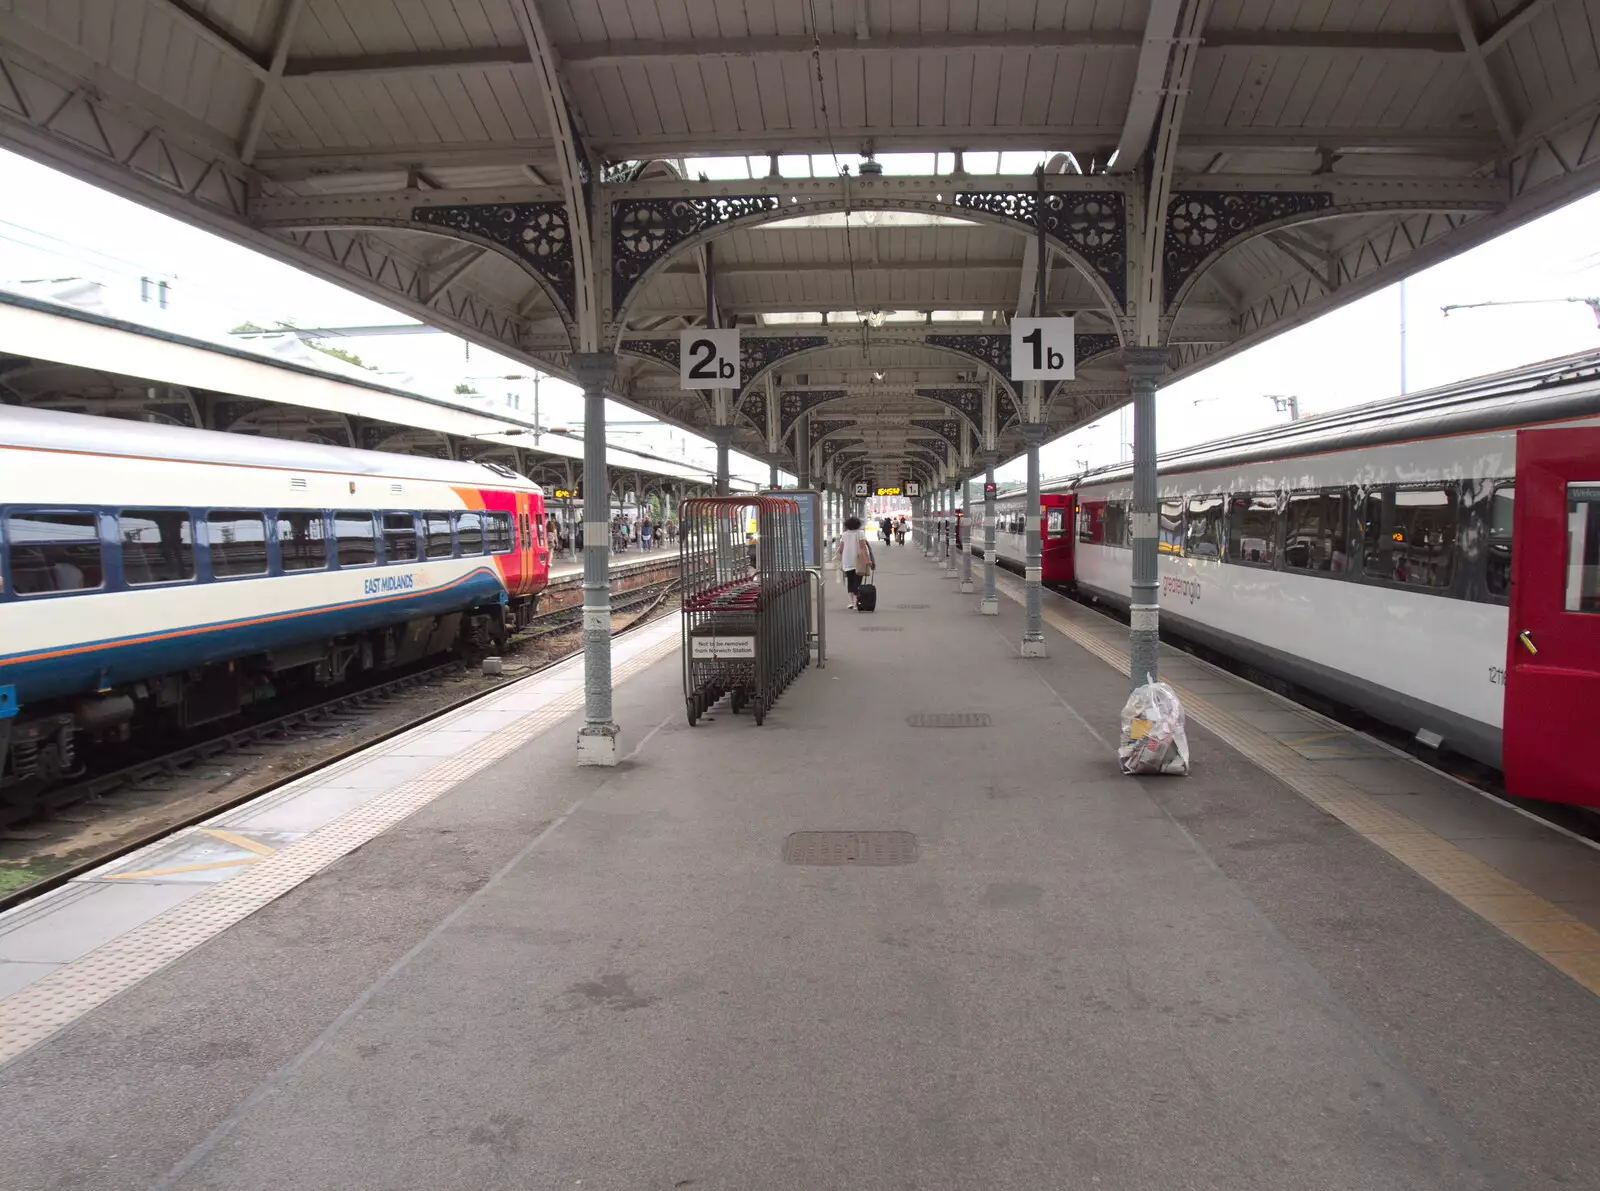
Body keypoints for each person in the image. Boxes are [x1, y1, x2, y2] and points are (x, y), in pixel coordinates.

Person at [838, 515, 872, 610]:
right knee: (858, 581)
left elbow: (841, 549)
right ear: (858, 524)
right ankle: (858, 601)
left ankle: (851, 602)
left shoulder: (844, 534)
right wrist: (867, 560)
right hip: (858, 560)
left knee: (850, 580)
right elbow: (862, 547)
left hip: (847, 560)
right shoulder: (860, 533)